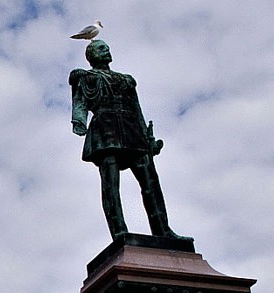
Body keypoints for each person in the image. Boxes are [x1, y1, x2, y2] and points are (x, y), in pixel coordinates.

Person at [69, 39, 187, 242]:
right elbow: (80, 102)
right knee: (111, 186)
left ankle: (163, 230)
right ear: (91, 56)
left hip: (132, 130)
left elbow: (137, 109)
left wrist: (148, 140)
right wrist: (79, 121)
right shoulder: (86, 77)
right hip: (105, 130)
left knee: (151, 183)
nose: (106, 49)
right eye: (100, 48)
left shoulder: (126, 80)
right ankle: (119, 231)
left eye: (107, 47)